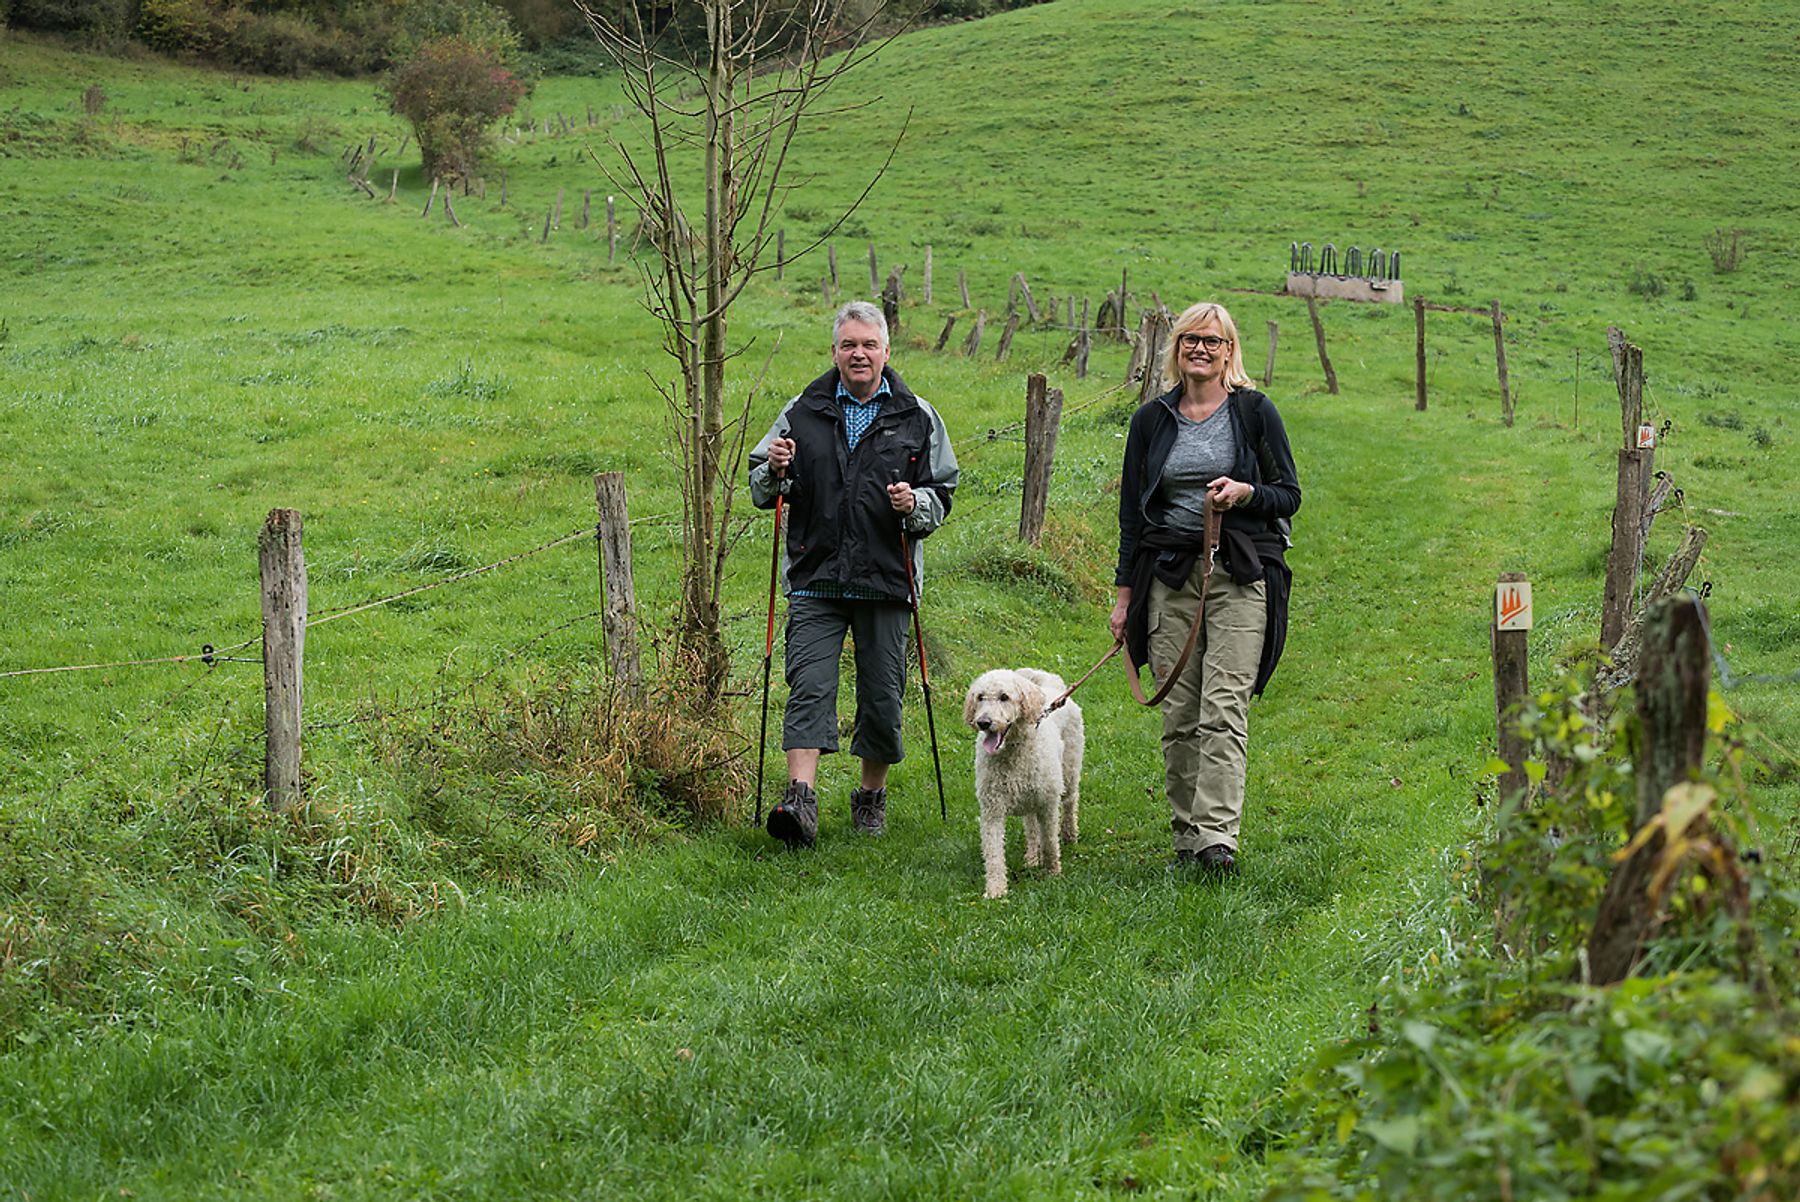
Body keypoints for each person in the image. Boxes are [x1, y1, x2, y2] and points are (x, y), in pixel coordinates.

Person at [748, 301, 960, 849]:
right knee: (808, 687)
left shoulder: (918, 415)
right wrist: (773, 469)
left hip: (887, 580)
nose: (858, 354)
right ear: (835, 352)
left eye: (868, 344)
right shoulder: (802, 410)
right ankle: (800, 800)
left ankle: (870, 797)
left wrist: (914, 504)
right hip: (816, 574)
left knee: (883, 697)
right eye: (848, 345)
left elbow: (944, 493)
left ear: (886, 351)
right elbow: (759, 485)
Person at [1110, 301, 1300, 874]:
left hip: (1239, 573)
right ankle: (1187, 837)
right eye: (1191, 339)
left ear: (1228, 351)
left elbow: (1288, 494)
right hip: (1169, 575)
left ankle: (1218, 839)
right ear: (1176, 347)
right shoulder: (1152, 420)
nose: (1201, 349)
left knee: (1224, 706)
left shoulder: (1254, 412)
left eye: (1212, 342)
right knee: (1180, 711)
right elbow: (1131, 517)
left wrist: (1245, 493)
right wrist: (1123, 598)